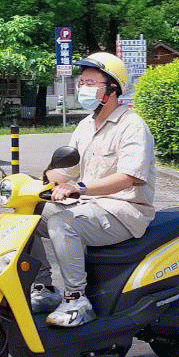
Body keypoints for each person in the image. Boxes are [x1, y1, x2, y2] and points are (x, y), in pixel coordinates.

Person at [32, 52, 156, 328]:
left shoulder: (132, 126)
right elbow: (66, 171)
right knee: (29, 215)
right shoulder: (85, 126)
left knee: (62, 222)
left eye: (90, 82)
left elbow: (129, 177)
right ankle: (43, 289)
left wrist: (78, 188)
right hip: (90, 207)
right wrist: (41, 178)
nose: (82, 88)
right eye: (82, 82)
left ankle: (76, 299)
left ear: (112, 88)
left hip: (125, 211)